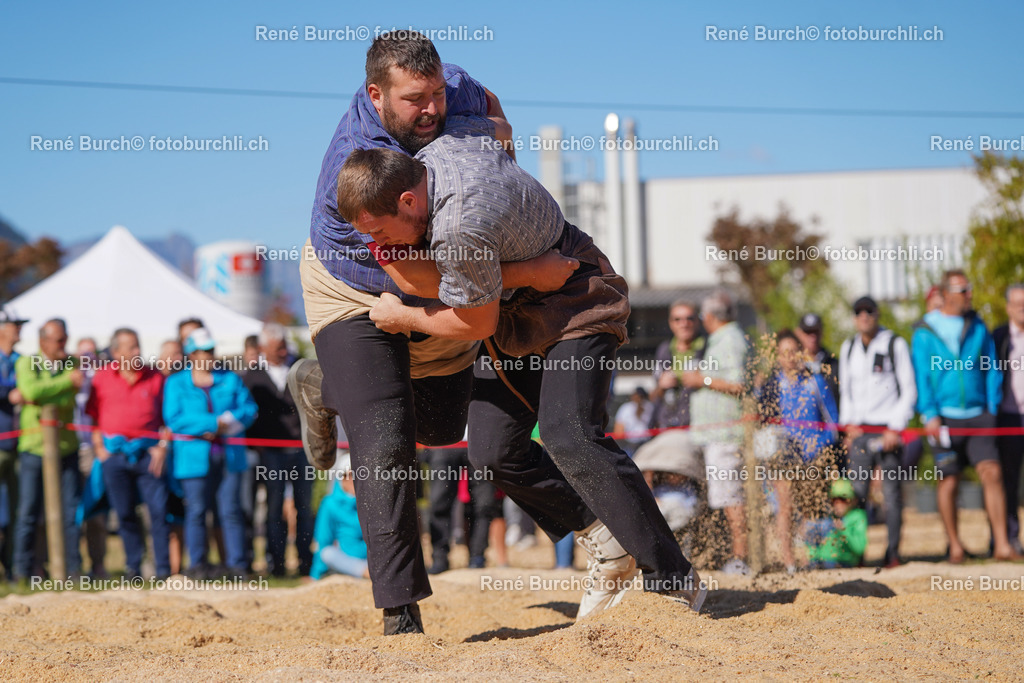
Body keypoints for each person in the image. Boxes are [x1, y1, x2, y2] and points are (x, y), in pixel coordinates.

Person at [288, 32, 607, 635]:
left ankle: (322, 383)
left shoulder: (452, 85)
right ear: (376, 95)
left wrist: (502, 130)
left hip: (443, 270)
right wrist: (529, 272)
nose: (431, 108)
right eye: (415, 100)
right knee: (385, 434)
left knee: (440, 426)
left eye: (435, 92)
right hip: (360, 279)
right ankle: (399, 614)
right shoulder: (354, 174)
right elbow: (410, 272)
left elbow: (483, 98)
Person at [340, 114, 707, 625]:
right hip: (518, 314)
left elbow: (474, 319)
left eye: (380, 232)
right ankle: (606, 539)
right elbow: (491, 115)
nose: (384, 245)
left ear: (407, 200)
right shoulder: (439, 152)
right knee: (492, 450)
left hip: (577, 300)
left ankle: (673, 577)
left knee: (571, 434)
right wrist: (525, 264)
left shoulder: (456, 226)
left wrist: (402, 316)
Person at [910, 269, 1019, 563]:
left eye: (969, 289)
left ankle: (1002, 545)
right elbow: (922, 377)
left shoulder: (978, 326)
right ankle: (955, 546)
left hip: (979, 414)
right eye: (963, 290)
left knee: (992, 473)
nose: (970, 294)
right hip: (944, 418)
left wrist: (992, 407)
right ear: (945, 294)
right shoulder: (924, 332)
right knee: (949, 480)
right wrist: (930, 414)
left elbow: (991, 368)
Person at [163, 328, 257, 578]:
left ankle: (237, 566)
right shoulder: (176, 382)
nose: (208, 355)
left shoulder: (230, 378)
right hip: (192, 459)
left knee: (230, 510)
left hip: (229, 457)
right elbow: (174, 418)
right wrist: (212, 424)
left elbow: (248, 409)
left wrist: (229, 421)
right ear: (191, 354)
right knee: (196, 511)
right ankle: (198, 565)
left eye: (211, 350)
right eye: (203, 351)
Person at [839, 296, 917, 567]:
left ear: (877, 313)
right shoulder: (848, 347)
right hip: (859, 431)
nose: (864, 316)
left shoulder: (895, 343)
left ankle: (893, 553)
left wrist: (895, 428)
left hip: (887, 430)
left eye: (868, 311)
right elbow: (846, 392)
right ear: (854, 317)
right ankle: (857, 554)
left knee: (891, 494)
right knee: (857, 494)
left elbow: (909, 390)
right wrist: (848, 427)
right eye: (858, 312)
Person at [86, 328, 170, 579]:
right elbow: (92, 417)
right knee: (123, 513)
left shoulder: (156, 377)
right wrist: (100, 450)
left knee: (157, 511)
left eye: (138, 346)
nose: (137, 352)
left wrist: (163, 448)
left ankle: (163, 569)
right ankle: (134, 566)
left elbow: (169, 418)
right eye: (131, 347)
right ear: (115, 352)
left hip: (148, 455)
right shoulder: (102, 378)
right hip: (114, 455)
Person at [758, 329, 840, 571]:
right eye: (784, 353)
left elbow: (833, 423)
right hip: (782, 455)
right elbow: (763, 423)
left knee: (810, 509)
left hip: (813, 457)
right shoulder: (773, 385)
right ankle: (789, 560)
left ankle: (810, 556)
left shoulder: (815, 381)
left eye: (794, 352)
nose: (790, 357)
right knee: (784, 506)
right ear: (778, 357)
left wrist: (820, 444)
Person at [681, 290, 750, 574]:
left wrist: (702, 378)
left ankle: (741, 559)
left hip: (725, 435)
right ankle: (729, 556)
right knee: (723, 498)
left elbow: (738, 384)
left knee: (731, 499)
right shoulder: (724, 339)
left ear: (709, 317)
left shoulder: (730, 340)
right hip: (716, 435)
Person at [13, 319, 84, 582]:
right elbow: (30, 390)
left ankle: (73, 570)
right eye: (58, 340)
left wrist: (42, 395)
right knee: (28, 513)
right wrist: (66, 383)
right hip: (33, 448)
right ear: (43, 341)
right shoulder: (26, 362)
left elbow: (61, 401)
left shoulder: (71, 363)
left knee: (70, 511)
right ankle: (21, 571)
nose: (63, 345)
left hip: (66, 448)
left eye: (65, 338)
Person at [243, 323, 312, 577]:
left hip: (300, 449)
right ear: (262, 349)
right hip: (269, 453)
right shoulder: (252, 376)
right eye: (277, 347)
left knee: (304, 507)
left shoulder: (301, 369)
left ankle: (306, 562)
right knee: (273, 509)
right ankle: (277, 564)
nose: (283, 351)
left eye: (284, 346)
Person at [993, 283, 1024, 555]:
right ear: (1008, 307)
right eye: (1017, 304)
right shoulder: (999, 336)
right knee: (1009, 481)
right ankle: (1009, 537)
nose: (1022, 308)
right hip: (1009, 418)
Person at [0, 307, 27, 580]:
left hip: (17, 445)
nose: (18, 329)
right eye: (14, 324)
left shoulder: (21, 359)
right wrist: (11, 391)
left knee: (14, 511)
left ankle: (12, 569)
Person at [649, 300, 706, 430]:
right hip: (667, 425)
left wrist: (702, 380)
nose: (684, 324)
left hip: (700, 425)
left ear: (698, 321)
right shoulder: (664, 350)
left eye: (689, 318)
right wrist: (661, 386)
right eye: (677, 319)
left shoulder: (708, 348)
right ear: (671, 323)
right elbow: (653, 396)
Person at [310, 455, 368, 580]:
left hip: (371, 560)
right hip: (345, 562)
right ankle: (364, 572)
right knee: (327, 553)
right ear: (341, 478)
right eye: (350, 475)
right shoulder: (330, 503)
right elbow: (323, 541)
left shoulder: (369, 502)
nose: (355, 480)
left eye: (360, 476)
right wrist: (315, 575)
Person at [804, 479, 868, 569]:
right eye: (834, 499)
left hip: (844, 562)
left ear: (854, 500)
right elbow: (812, 543)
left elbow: (860, 548)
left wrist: (844, 530)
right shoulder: (829, 519)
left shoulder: (858, 517)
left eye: (843, 499)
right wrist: (812, 556)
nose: (838, 503)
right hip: (823, 561)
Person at [795, 313, 840, 409]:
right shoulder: (792, 366)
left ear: (822, 332)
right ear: (799, 334)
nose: (813, 337)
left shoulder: (834, 365)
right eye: (808, 332)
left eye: (816, 331)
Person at [613, 387, 654, 455]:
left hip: (645, 443)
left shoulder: (649, 407)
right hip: (631, 445)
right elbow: (618, 431)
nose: (639, 398)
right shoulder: (626, 408)